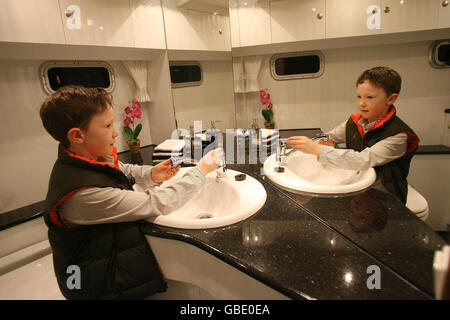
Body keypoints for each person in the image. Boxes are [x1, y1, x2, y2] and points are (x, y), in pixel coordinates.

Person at [39, 85, 223, 299]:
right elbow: (156, 203)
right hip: (94, 285)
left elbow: (122, 169)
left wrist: (153, 174)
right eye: (108, 125)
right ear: (77, 136)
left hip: (101, 262)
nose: (116, 133)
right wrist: (201, 171)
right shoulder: (84, 196)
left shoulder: (85, 159)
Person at [287, 66, 419, 204]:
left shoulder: (399, 136)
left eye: (369, 97)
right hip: (360, 187)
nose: (362, 103)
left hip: (386, 197)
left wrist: (318, 150)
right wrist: (323, 141)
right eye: (359, 96)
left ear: (391, 99)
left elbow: (364, 160)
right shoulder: (355, 122)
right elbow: (331, 136)